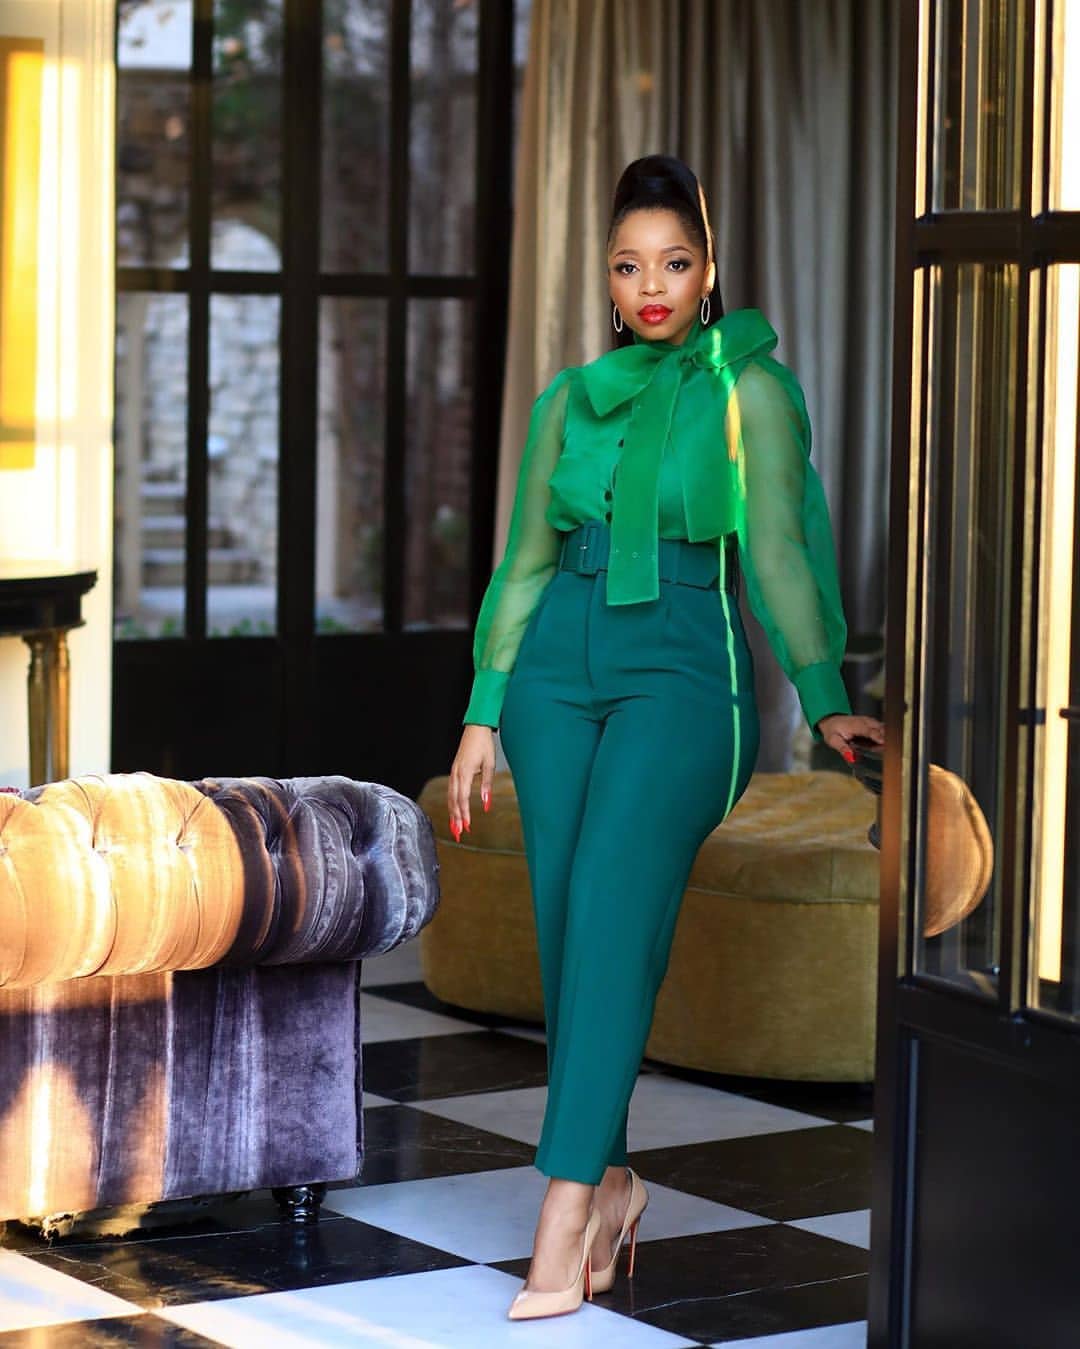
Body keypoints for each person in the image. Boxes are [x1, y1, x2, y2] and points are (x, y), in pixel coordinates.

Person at [447, 154, 885, 1322]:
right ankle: (615, 1183)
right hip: (555, 674)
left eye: (675, 262)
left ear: (709, 267)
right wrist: (485, 709)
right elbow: (525, 561)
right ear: (605, 277)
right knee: (570, 928)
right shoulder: (568, 398)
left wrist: (823, 688)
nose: (651, 286)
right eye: (628, 265)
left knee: (610, 903)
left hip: (686, 671)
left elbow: (783, 548)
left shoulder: (753, 390)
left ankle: (559, 1212)